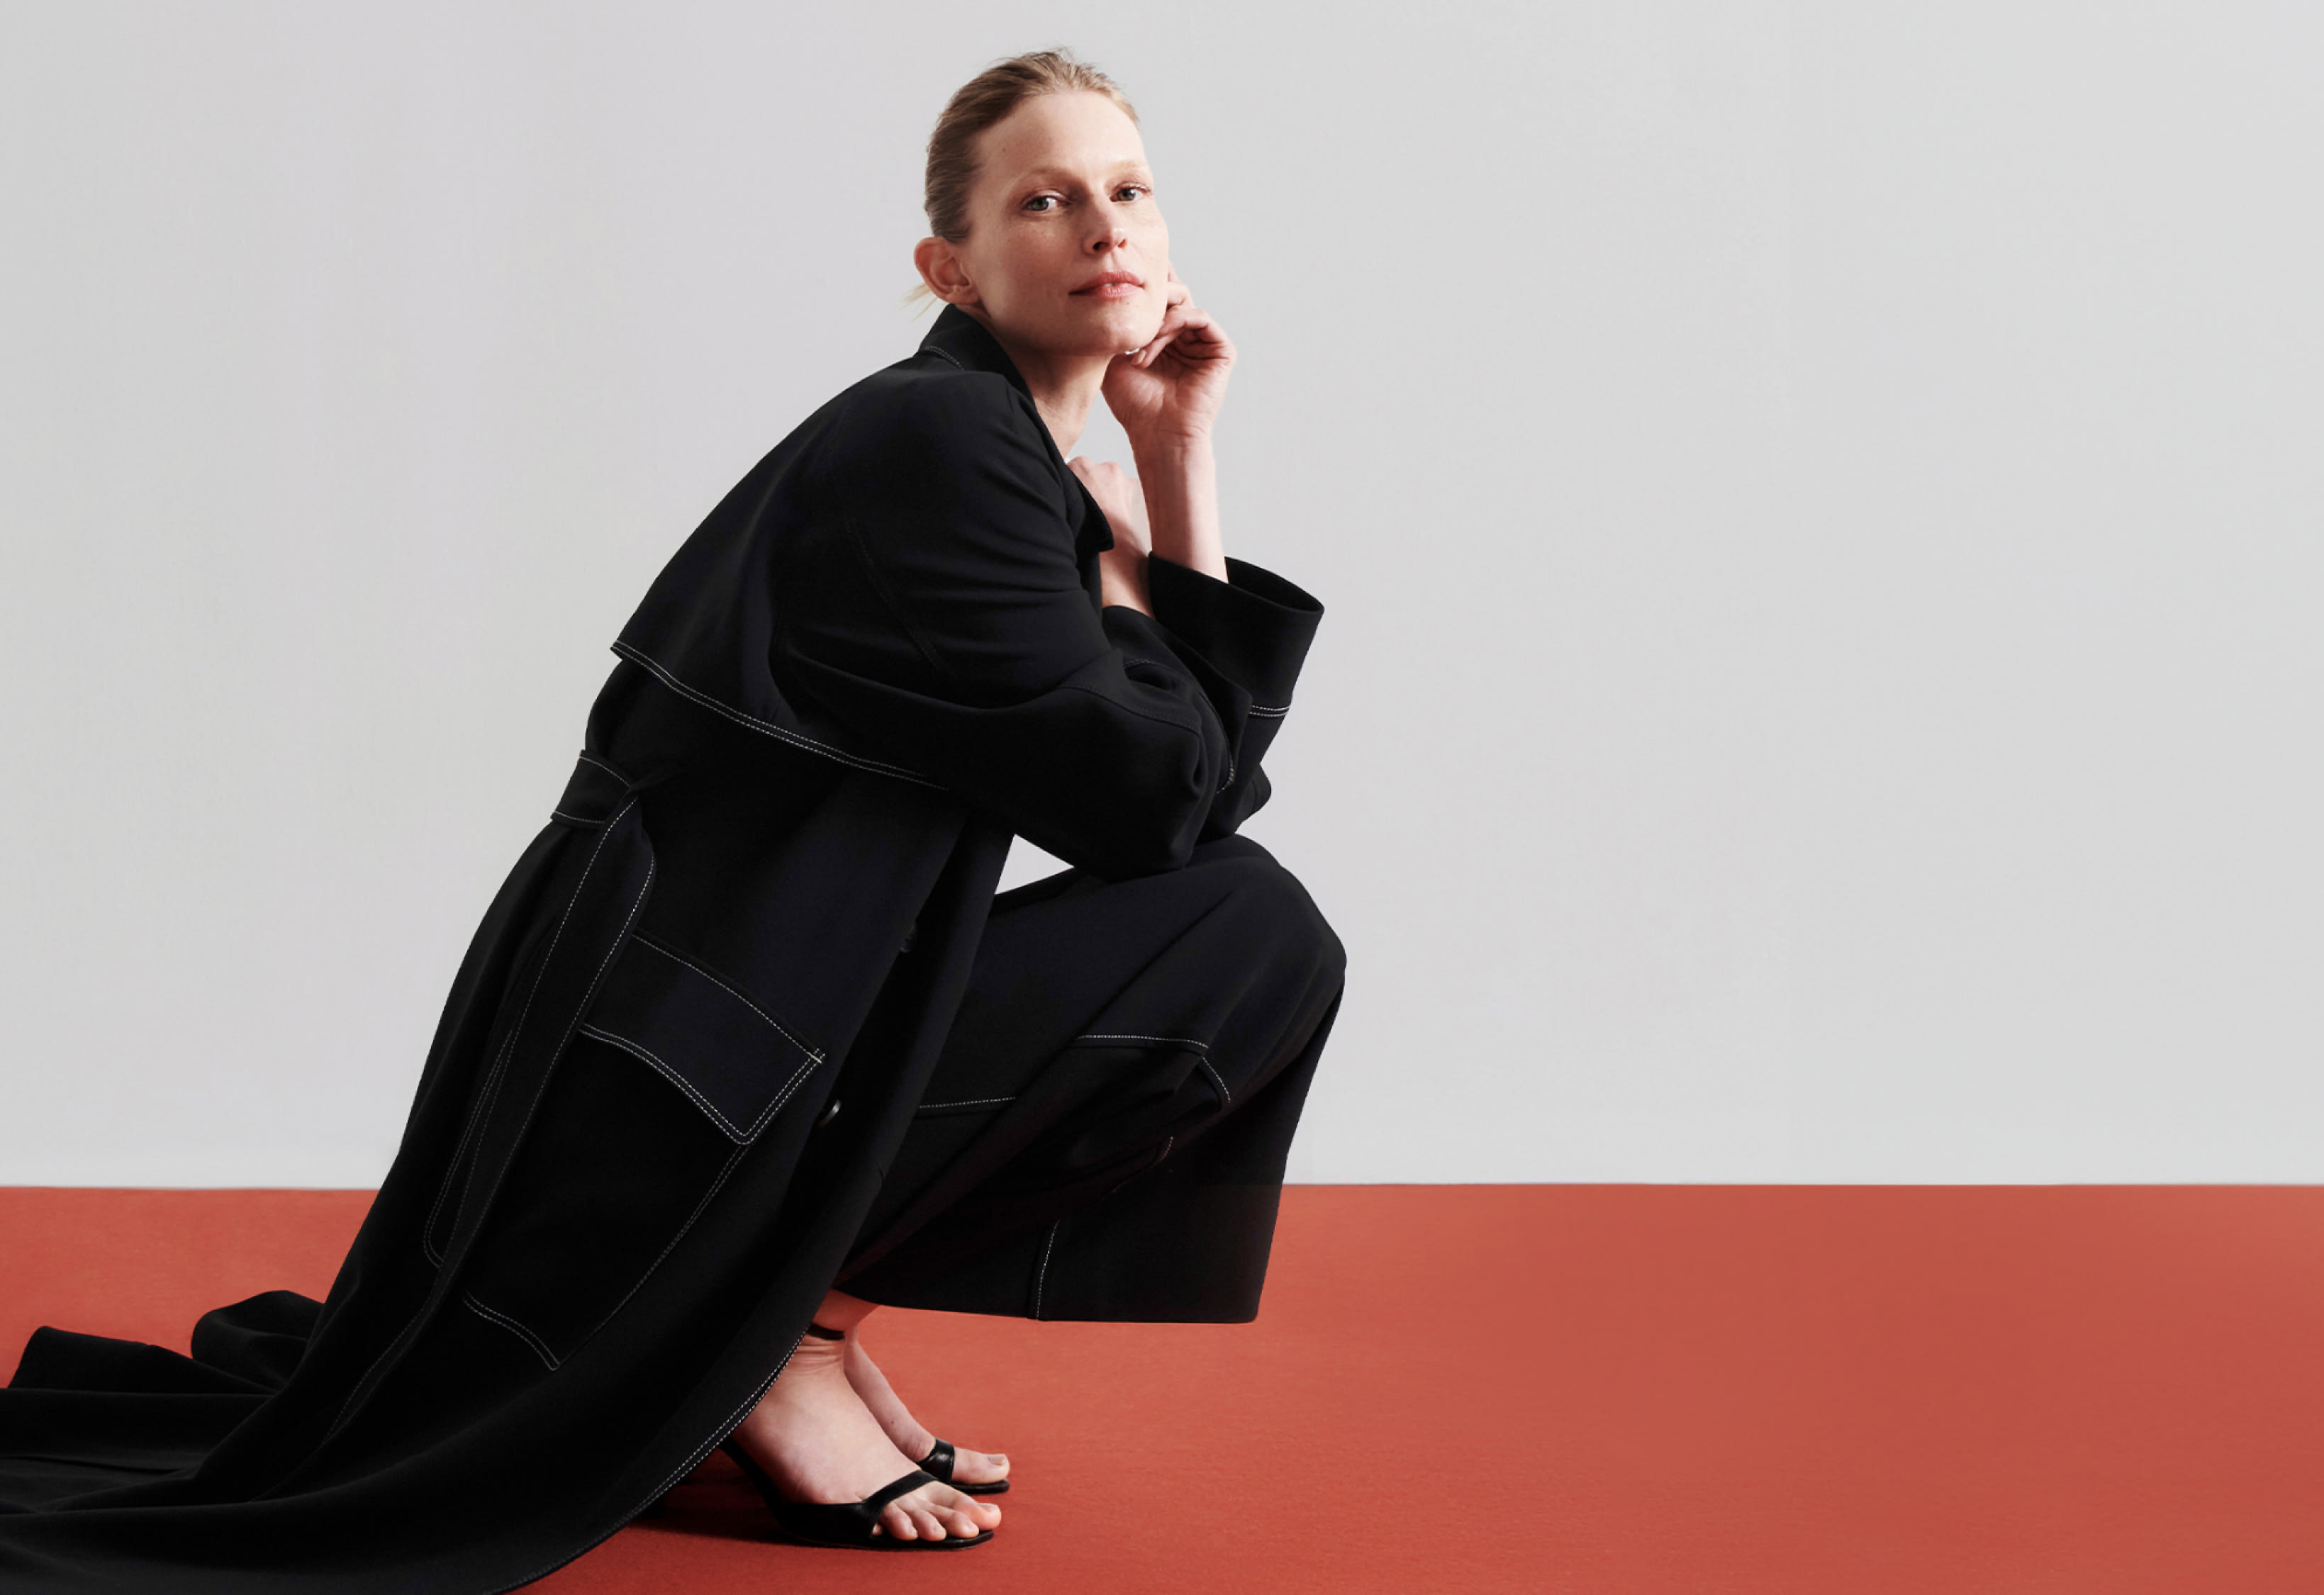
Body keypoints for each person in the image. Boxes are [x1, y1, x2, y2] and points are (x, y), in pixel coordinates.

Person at [0, 47, 1343, 1587]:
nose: (1103, 226)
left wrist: (1177, 461)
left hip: (731, 1021)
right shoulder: (943, 447)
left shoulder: (1010, 460)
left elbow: (1189, 788)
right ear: (952, 270)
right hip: (679, 1055)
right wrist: (1139, 566)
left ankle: (791, 1336)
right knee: (1240, 933)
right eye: (1043, 200)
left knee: (1240, 928)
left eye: (1129, 191)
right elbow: (1162, 805)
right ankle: (781, 1347)